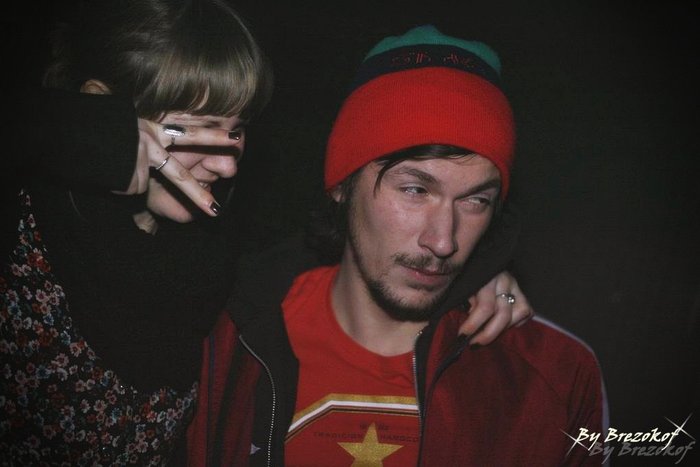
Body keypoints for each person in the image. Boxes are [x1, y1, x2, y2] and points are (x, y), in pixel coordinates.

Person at [1, 3, 532, 466]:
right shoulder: (22, 232)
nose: (226, 164)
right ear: (98, 116)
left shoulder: (220, 250)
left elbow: (335, 253)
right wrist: (67, 130)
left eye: (233, 131)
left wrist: (481, 270)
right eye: (191, 128)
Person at [189, 24, 607, 466]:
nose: (443, 240)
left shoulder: (555, 374)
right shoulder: (223, 341)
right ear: (342, 185)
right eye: (415, 190)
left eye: (475, 201)